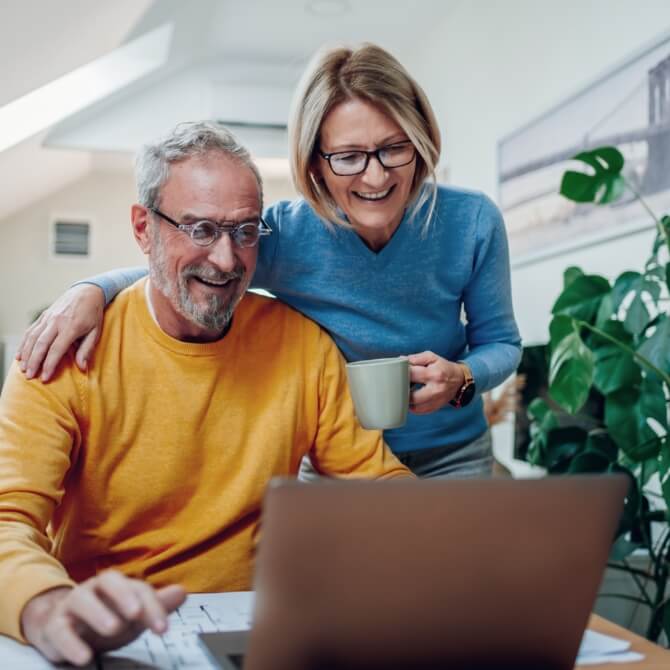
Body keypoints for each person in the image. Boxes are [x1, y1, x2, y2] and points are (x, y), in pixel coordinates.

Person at [0, 122, 410, 666]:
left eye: (244, 232)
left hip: (256, 634)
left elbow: (376, 482)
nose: (226, 259)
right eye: (200, 229)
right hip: (108, 639)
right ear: (143, 229)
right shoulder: (64, 351)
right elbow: (8, 521)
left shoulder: (302, 345)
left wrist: (451, 544)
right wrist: (49, 608)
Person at [17, 43, 522, 478]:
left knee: (453, 590)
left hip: (454, 453)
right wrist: (92, 289)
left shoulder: (471, 221)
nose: (375, 177)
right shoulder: (286, 234)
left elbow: (501, 341)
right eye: (348, 156)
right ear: (315, 164)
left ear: (421, 141)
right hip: (333, 462)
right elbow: (191, 267)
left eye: (393, 149)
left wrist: (463, 378)